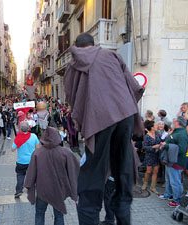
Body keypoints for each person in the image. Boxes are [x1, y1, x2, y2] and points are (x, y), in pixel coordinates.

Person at [64, 33, 144, 225]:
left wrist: (81, 121)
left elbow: (72, 97)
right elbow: (134, 86)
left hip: (99, 117)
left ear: (77, 46)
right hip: (125, 113)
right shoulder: (112, 55)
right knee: (121, 175)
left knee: (90, 181)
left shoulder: (73, 64)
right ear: (93, 45)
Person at [24, 127, 79, 225]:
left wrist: (29, 185)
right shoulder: (65, 153)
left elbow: (31, 173)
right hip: (59, 190)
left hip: (42, 190)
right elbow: (73, 170)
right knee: (59, 215)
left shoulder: (37, 153)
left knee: (39, 214)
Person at [158, 116, 188, 207]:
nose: (172, 122)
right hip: (171, 161)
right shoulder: (177, 132)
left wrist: (167, 145)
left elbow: (182, 150)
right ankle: (168, 195)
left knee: (175, 182)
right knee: (169, 180)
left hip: (177, 162)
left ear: (178, 123)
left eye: (174, 121)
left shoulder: (182, 134)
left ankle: (177, 200)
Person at [11, 121, 40, 198]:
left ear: (20, 129)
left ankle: (19, 191)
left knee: (20, 176)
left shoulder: (18, 137)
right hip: (32, 161)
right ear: (28, 128)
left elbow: (12, 149)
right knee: (33, 176)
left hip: (21, 161)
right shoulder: (34, 136)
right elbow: (38, 148)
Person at [141, 120, 161, 195]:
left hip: (156, 155)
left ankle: (153, 187)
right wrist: (153, 147)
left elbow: (160, 141)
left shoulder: (157, 134)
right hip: (149, 156)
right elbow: (145, 147)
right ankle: (145, 183)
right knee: (148, 171)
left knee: (155, 171)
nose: (157, 126)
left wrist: (161, 144)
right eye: (155, 125)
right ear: (152, 127)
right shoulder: (146, 136)